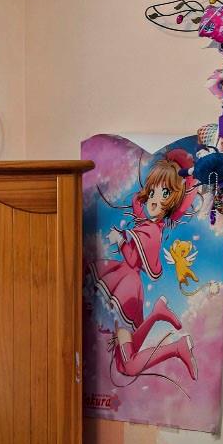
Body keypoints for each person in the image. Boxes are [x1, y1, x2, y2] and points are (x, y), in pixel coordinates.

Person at [91, 154, 198, 381]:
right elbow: (139, 207)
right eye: (153, 192)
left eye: (165, 194)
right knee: (124, 365)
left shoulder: (151, 231)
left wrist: (120, 240)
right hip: (127, 284)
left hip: (126, 286)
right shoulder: (149, 225)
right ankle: (159, 315)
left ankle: (176, 346)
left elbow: (132, 260)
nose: (154, 200)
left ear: (173, 202)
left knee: (128, 366)